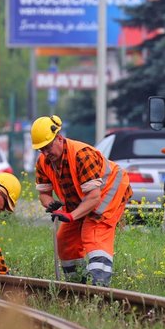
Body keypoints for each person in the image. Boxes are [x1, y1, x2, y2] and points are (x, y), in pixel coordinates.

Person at [31, 115, 131, 286]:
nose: (46, 153)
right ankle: (77, 285)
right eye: (41, 150)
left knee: (93, 232)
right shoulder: (44, 162)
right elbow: (44, 193)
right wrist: (49, 203)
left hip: (109, 192)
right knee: (64, 239)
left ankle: (99, 286)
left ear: (59, 138)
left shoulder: (82, 155)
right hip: (81, 200)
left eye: (47, 147)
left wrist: (71, 216)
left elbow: (93, 197)